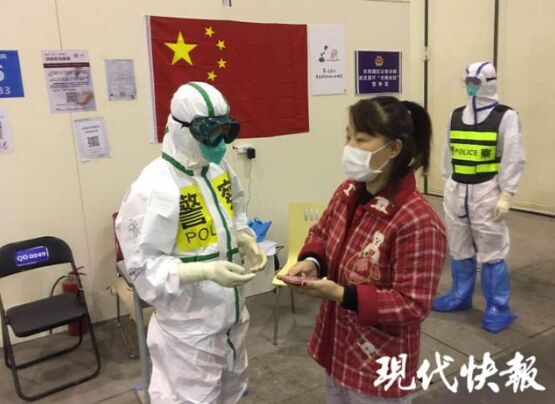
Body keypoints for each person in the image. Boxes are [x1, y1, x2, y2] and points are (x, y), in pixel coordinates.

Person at [283, 96, 447, 402]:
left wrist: (342, 295)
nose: (350, 148)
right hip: (338, 349)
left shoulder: (417, 221)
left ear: (394, 148)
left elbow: (412, 304)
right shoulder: (348, 191)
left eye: (361, 139)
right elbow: (322, 231)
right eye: (348, 137)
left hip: (379, 363)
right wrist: (313, 261)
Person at [115, 81, 267, 403]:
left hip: (232, 320)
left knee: (233, 392)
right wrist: (205, 271)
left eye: (225, 132)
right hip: (189, 333)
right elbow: (144, 271)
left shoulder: (218, 169)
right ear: (182, 131)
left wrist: (244, 239)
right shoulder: (153, 188)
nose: (220, 144)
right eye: (211, 135)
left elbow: (235, 211)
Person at [432, 61, 525, 334]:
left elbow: (513, 156)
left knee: (492, 250)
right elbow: (448, 151)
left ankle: (498, 307)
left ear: (489, 83)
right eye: (468, 82)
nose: (472, 87)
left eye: (477, 82)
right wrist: (447, 181)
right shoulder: (456, 115)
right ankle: (460, 295)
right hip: (456, 189)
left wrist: (506, 193)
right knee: (459, 245)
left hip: (486, 191)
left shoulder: (505, 116)